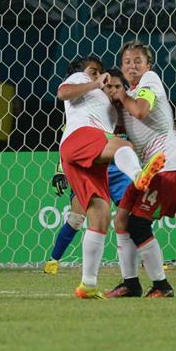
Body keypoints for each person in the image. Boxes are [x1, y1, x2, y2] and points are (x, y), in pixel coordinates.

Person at [57, 56, 165, 299]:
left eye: (100, 72)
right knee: (121, 145)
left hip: (87, 157)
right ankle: (138, 175)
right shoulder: (81, 79)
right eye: (93, 70)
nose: (99, 75)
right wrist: (94, 82)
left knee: (101, 215)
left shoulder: (107, 105)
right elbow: (63, 92)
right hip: (81, 137)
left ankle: (88, 284)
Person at [105, 42, 176, 298]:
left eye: (138, 61)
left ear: (148, 65)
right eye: (127, 62)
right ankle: (130, 283)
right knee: (121, 219)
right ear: (121, 67)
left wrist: (121, 96)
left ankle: (162, 286)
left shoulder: (149, 81)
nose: (132, 66)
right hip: (147, 171)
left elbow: (141, 111)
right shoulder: (127, 98)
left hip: (167, 165)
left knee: (138, 224)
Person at [45, 69, 132, 275]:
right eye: (109, 86)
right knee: (77, 218)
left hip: (116, 169)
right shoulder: (89, 111)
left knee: (131, 215)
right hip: (89, 162)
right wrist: (60, 170)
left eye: (117, 87)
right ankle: (53, 260)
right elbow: (71, 142)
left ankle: (147, 259)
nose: (112, 90)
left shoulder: (125, 112)